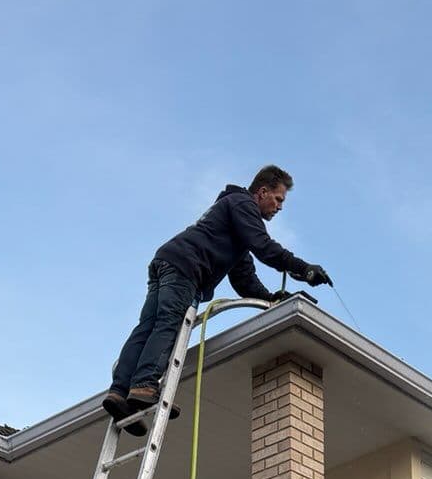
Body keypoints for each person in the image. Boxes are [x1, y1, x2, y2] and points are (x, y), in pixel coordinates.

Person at [103, 166, 332, 421]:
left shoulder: (234, 218)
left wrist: (271, 298)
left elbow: (244, 279)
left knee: (147, 327)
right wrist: (304, 268)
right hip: (185, 268)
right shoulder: (243, 205)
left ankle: (120, 393)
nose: (279, 207)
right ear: (262, 192)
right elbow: (264, 247)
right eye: (278, 199)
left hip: (169, 261)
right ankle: (144, 385)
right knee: (169, 323)